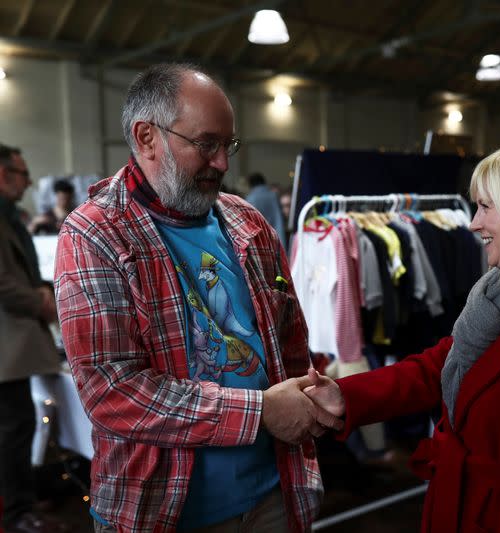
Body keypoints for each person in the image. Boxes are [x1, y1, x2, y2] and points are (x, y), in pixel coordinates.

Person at [54, 63, 342, 533]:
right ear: (146, 138)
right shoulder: (95, 233)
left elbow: (290, 342)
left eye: (227, 145)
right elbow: (112, 389)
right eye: (205, 144)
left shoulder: (248, 222)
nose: (223, 164)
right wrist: (261, 413)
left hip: (274, 495)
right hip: (161, 510)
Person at [303, 137, 500, 532]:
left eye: (485, 207)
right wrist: (345, 395)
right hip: (462, 505)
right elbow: (439, 365)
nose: (473, 223)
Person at [0, 144, 66, 533]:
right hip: (9, 346)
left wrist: (43, 289)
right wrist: (41, 302)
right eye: (23, 175)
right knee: (14, 429)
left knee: (17, 427)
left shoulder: (9, 219)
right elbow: (5, 284)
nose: (27, 184)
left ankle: (21, 503)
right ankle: (18, 513)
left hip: (15, 345)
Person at [245, 172, 286, 248]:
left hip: (259, 241)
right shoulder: (273, 195)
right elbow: (279, 218)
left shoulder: (250, 199)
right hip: (276, 237)